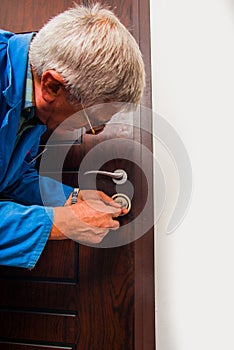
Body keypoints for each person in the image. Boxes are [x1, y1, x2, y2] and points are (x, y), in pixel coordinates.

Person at [0, 3, 145, 268]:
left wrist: (72, 198)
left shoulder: (34, 105)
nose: (91, 132)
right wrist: (61, 223)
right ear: (52, 85)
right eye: (92, 124)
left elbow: (9, 178)